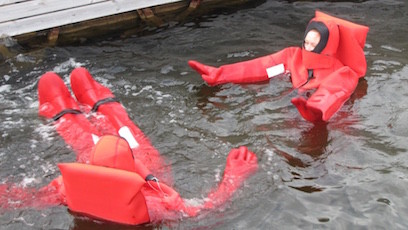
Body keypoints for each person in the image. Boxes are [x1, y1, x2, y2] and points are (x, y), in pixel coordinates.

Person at [0, 67, 258, 226]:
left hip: (102, 162)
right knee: (127, 133)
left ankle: (61, 110)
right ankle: (97, 104)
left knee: (87, 139)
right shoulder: (155, 204)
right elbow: (206, 211)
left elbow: (22, 199)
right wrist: (233, 177)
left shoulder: (68, 188)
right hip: (145, 170)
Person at [188, 11, 369, 122]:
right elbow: (262, 66)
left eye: (313, 45)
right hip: (291, 106)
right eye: (306, 42)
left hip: (317, 116)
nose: (307, 48)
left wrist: (316, 109)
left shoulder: (343, 72)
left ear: (326, 46)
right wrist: (221, 74)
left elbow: (332, 92)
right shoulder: (293, 56)